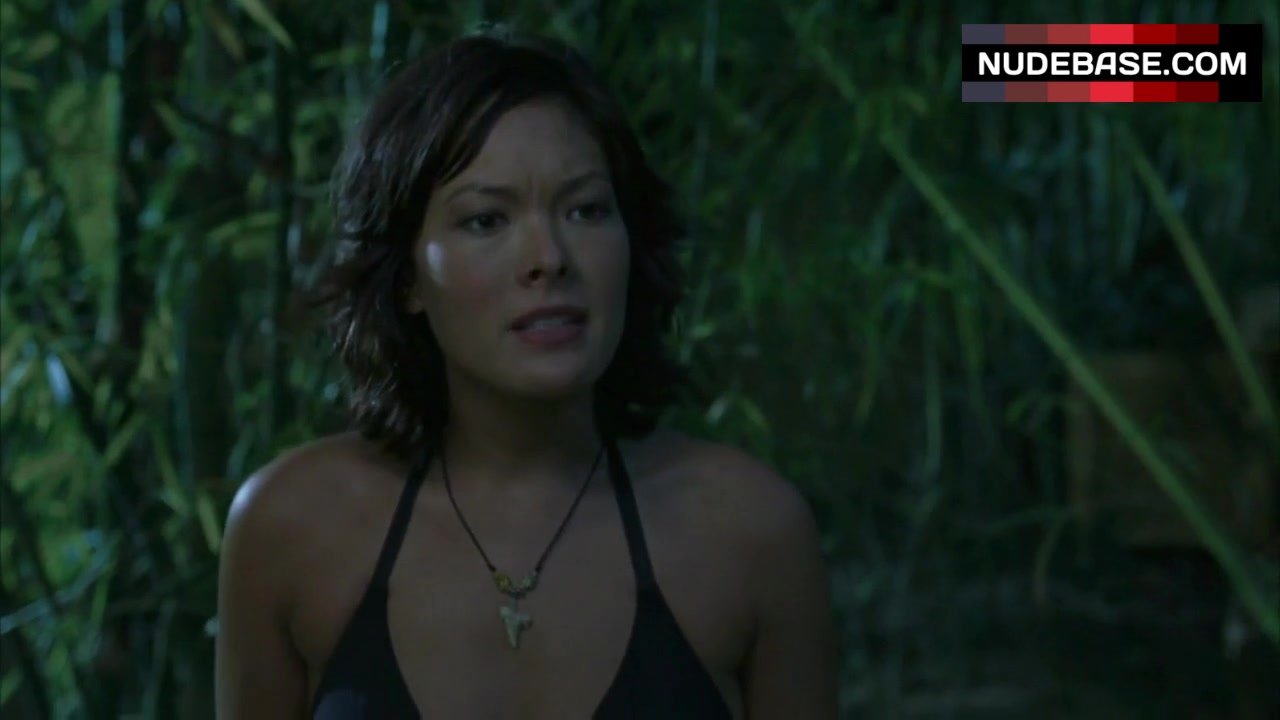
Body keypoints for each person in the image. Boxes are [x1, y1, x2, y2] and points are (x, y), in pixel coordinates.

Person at [214, 28, 837, 719]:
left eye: (586, 210)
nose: (550, 257)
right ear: (407, 275)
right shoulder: (292, 527)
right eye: (487, 220)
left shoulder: (751, 534)